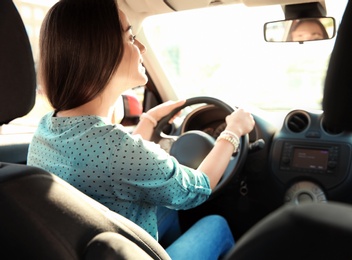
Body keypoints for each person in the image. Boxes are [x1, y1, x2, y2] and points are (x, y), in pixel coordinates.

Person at [27, 0, 255, 259]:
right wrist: (233, 132)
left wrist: (147, 122)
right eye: (131, 37)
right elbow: (197, 188)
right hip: (123, 250)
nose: (142, 47)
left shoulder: (47, 127)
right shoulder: (120, 149)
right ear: (102, 51)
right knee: (217, 225)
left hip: (92, 245)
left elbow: (112, 163)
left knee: (169, 209)